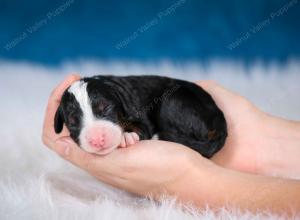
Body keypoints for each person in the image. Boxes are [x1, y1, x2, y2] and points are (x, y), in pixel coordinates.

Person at [42, 74, 300, 215]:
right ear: (62, 121)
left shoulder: (124, 97)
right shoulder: (110, 97)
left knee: (166, 108)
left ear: (118, 102)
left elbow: (140, 122)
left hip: (192, 109)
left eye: (104, 111)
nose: (95, 135)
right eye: (75, 122)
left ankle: (198, 143)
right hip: (193, 117)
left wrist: (189, 178)